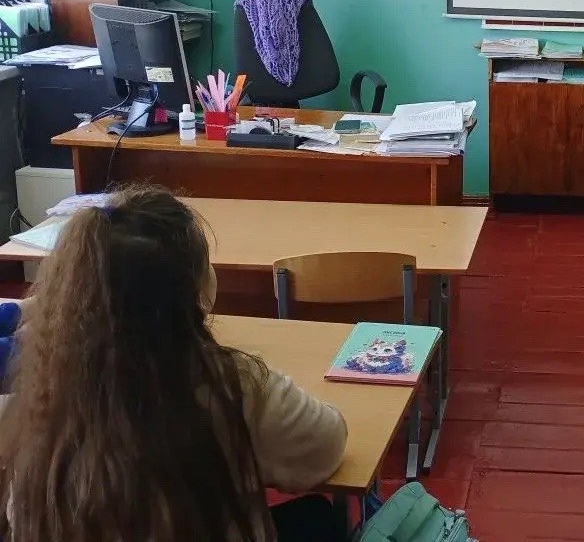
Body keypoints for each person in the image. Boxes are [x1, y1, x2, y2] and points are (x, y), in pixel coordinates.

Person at [0, 187, 347, 542]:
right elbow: (326, 447)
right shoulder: (232, 384)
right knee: (317, 518)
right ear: (193, 291)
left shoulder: (41, 393)